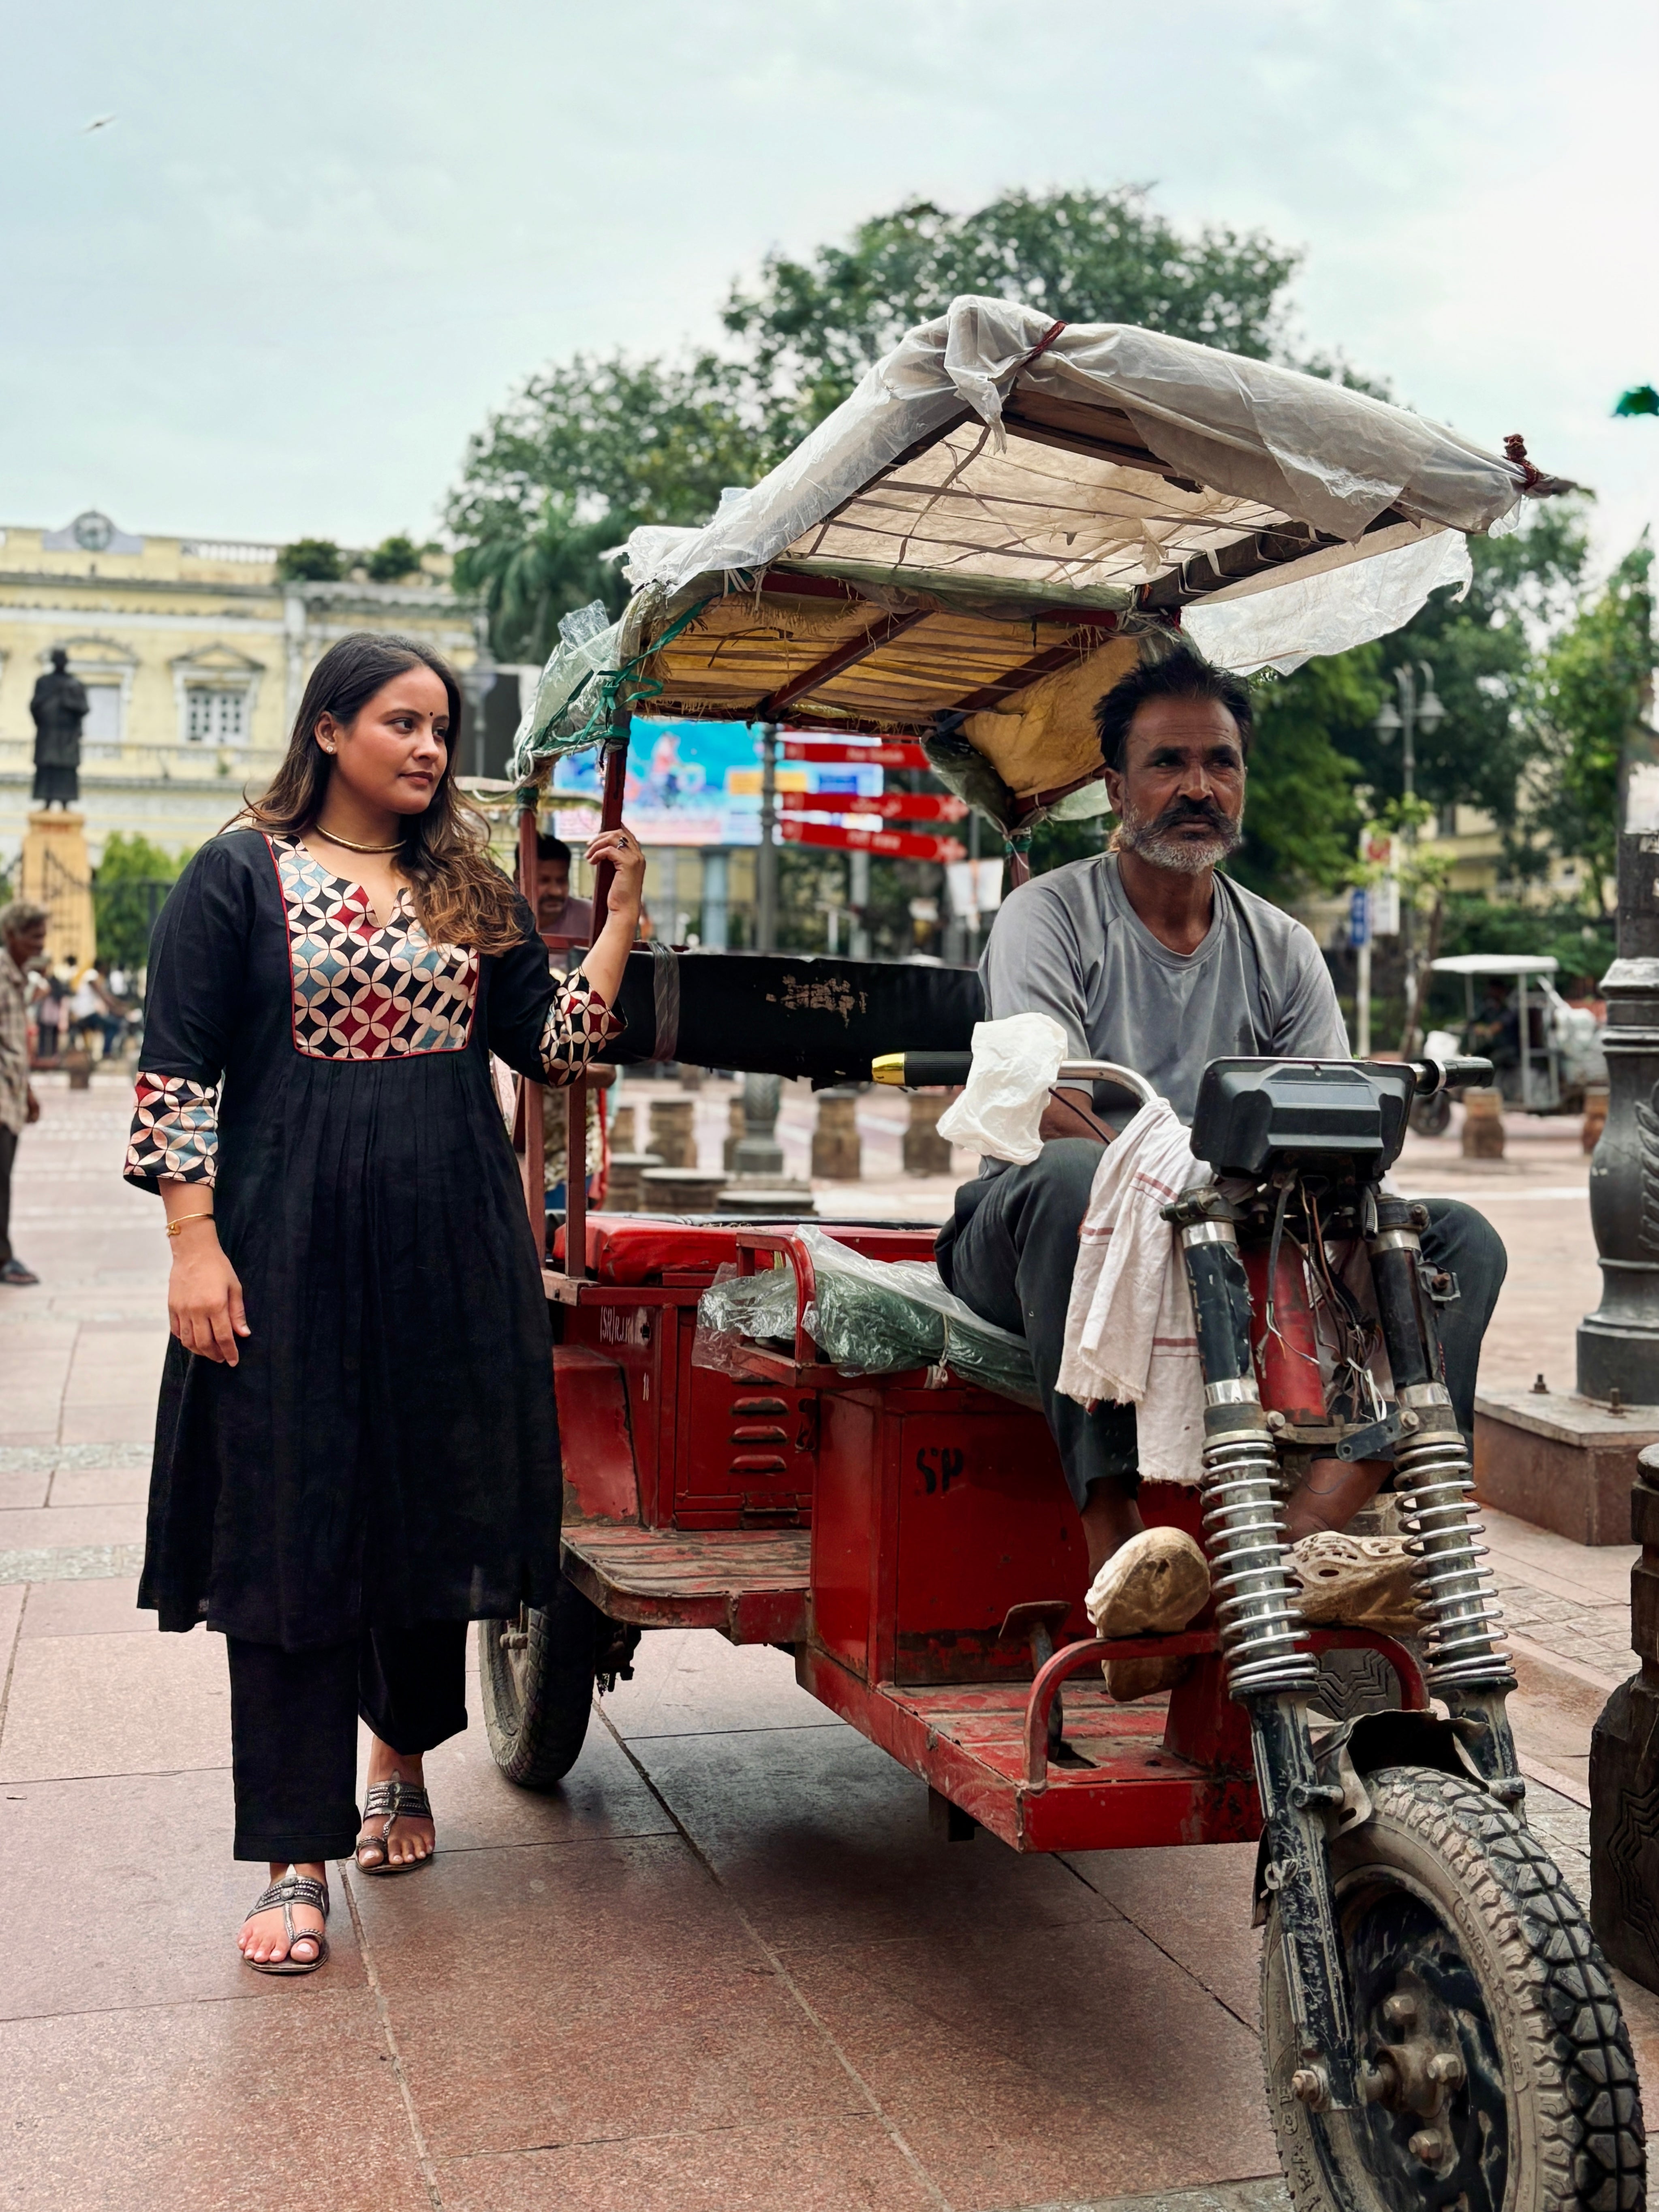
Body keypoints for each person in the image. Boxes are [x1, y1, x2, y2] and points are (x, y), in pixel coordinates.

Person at [124, 632, 645, 1973]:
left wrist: (618, 922)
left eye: (441, 728)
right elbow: (176, 1072)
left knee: (429, 1511)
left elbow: (552, 1048)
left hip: (450, 1250)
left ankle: (397, 1759)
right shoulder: (237, 872)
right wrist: (193, 1245)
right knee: (288, 1532)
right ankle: (292, 1853)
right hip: (284, 1250)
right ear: (328, 728)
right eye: (401, 722)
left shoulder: (469, 884)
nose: (428, 747)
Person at [936, 645, 1505, 1618]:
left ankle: (1303, 1539)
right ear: (1117, 788)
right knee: (1072, 1175)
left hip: (1239, 1234)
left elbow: (1326, 1117)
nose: (1196, 786)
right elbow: (1046, 1097)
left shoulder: (1281, 945)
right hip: (1041, 1233)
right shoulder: (1047, 915)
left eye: (1219, 762)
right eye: (1167, 762)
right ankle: (1122, 1557)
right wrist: (1185, 1176)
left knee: (1456, 1240)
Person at [0, 902, 47, 1287]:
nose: (40, 944)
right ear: (11, 934)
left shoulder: (16, 978)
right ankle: (3, 1258)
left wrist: (27, 1091)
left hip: (11, 1094)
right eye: (33, 936)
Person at [533, 834, 593, 975]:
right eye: (544, 881)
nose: (556, 891)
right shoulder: (507, 921)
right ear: (519, 879)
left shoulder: (590, 916)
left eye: (562, 880)